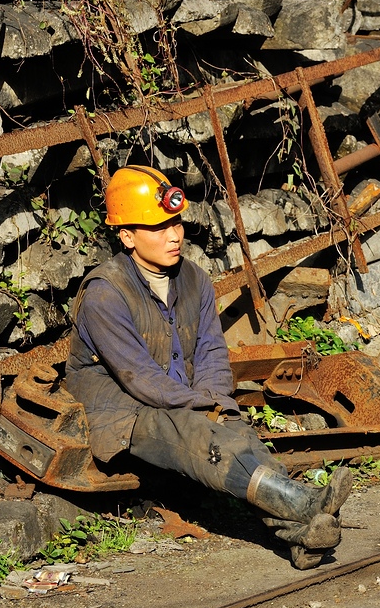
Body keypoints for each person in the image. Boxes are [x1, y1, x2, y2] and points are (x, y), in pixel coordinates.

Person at [65, 165, 352, 570]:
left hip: (180, 400)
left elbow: (213, 352)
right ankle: (303, 503)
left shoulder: (195, 279)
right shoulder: (105, 294)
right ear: (126, 236)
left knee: (237, 434)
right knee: (197, 430)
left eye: (176, 222)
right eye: (158, 227)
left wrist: (219, 403)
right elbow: (141, 380)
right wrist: (203, 408)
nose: (174, 235)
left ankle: (301, 533)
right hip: (121, 413)